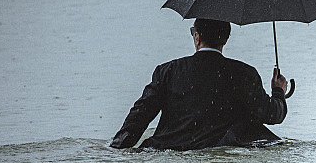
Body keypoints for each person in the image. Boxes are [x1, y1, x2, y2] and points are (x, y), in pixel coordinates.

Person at [110, 18, 288, 150]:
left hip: (167, 150)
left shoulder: (168, 71)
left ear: (197, 37)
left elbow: (140, 115)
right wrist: (278, 92)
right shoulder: (244, 74)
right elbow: (271, 115)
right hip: (219, 148)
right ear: (225, 39)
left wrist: (117, 147)